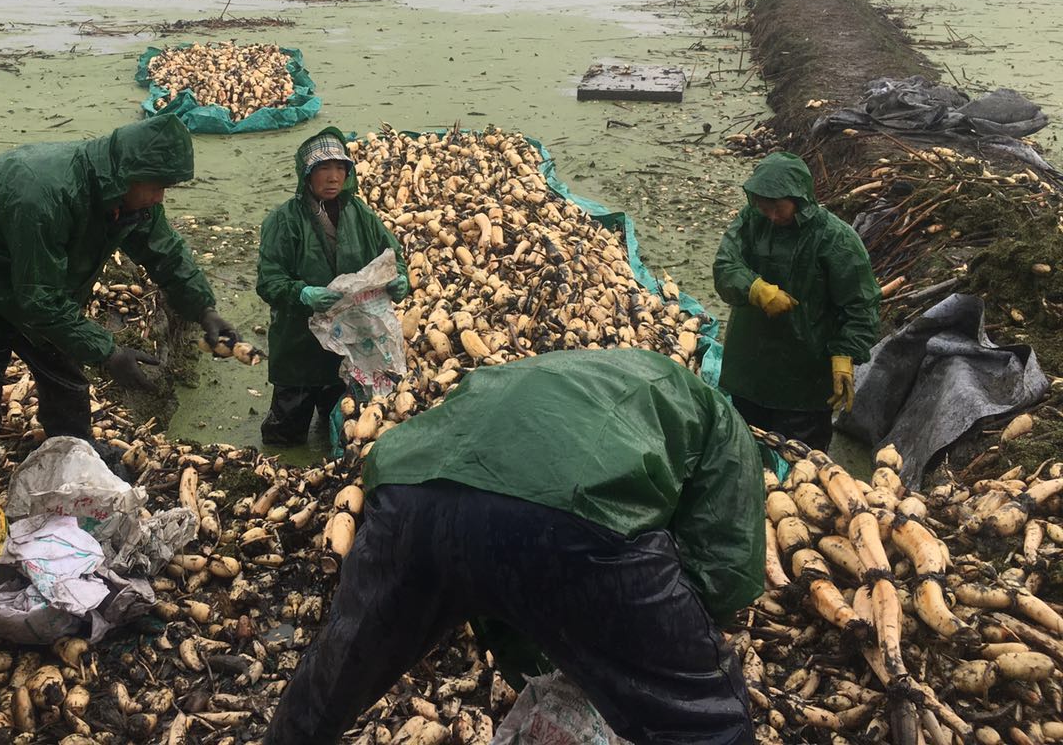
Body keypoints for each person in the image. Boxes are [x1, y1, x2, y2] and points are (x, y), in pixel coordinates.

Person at [262, 348, 764, 745]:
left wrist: (549, 655)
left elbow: (496, 568)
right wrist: (670, 647)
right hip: (569, 512)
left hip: (409, 489)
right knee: (705, 716)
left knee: (346, 665)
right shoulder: (721, 422)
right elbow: (725, 572)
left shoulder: (580, 373)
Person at [0, 115, 238, 477]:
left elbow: (164, 250)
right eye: (157, 186)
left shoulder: (128, 195)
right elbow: (39, 301)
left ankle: (73, 451)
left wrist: (203, 308)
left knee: (64, 370)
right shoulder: (47, 196)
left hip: (27, 269)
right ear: (128, 173)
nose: (160, 197)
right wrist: (109, 351)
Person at [713, 151, 881, 450]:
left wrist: (844, 355)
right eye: (765, 208)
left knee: (800, 466)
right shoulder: (751, 222)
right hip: (748, 371)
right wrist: (755, 288)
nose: (772, 217)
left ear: (800, 199)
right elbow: (726, 265)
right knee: (743, 453)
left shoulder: (836, 239)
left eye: (778, 208)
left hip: (805, 381)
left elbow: (861, 306)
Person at [255, 127, 407, 445]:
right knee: (285, 432)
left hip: (348, 345)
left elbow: (391, 256)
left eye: (340, 168)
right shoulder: (283, 221)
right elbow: (269, 281)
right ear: (307, 174)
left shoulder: (361, 214)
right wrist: (301, 293)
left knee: (338, 422)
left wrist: (399, 281)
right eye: (323, 168)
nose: (333, 177)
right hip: (299, 344)